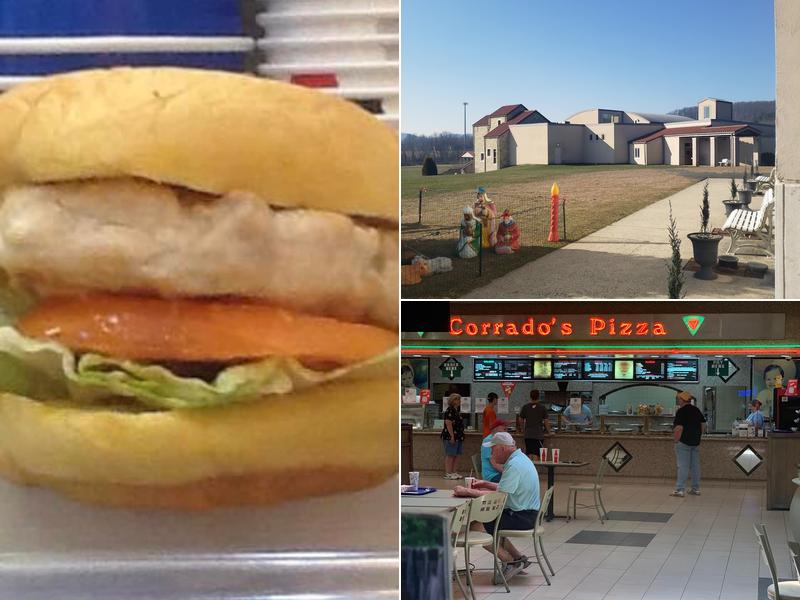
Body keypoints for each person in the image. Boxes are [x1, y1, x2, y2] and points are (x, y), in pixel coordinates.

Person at [453, 431, 540, 583]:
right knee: (491, 522)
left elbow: (500, 498)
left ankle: (508, 560)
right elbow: (506, 488)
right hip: (529, 514)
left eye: (493, 449)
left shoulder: (514, 465)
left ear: (502, 448)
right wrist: (486, 484)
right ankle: (518, 558)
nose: (491, 453)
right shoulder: (520, 459)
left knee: (476, 528)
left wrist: (468, 491)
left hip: (522, 517)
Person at [671, 390, 706, 497]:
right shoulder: (696, 410)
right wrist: (698, 435)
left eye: (678, 399)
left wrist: (676, 440)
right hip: (695, 442)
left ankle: (680, 489)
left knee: (682, 466)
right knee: (695, 466)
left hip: (683, 442)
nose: (678, 400)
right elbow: (703, 425)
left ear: (682, 399)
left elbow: (679, 428)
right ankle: (695, 489)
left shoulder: (681, 411)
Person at [518, 390, 550, 457]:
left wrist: (523, 430)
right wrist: (549, 432)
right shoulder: (542, 408)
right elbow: (546, 421)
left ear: (530, 397)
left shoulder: (525, 407)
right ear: (539, 397)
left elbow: (520, 419)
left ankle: (529, 467)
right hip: (538, 435)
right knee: (536, 455)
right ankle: (535, 467)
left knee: (529, 454)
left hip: (528, 435)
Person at [441, 393, 465, 479]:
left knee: (457, 455)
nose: (459, 401)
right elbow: (448, 423)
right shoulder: (449, 410)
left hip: (459, 436)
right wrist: (452, 436)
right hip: (451, 435)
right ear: (453, 401)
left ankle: (454, 472)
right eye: (458, 399)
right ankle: (448, 472)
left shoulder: (456, 410)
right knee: (450, 454)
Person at [481, 419, 509, 483]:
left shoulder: (499, 439)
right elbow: (494, 464)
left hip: (499, 472)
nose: (506, 432)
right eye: (504, 429)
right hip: (491, 475)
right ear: (496, 429)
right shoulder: (488, 441)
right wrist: (508, 473)